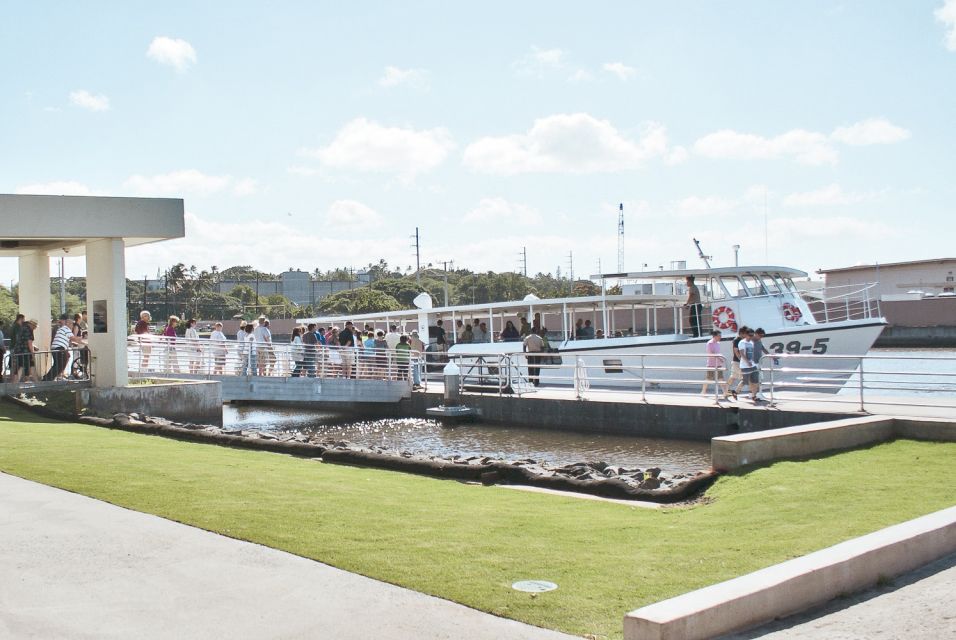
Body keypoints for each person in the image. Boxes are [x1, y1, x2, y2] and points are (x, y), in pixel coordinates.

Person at [43, 314, 80, 381]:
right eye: (72, 324)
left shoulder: (62, 329)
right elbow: (73, 338)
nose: (72, 326)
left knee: (58, 365)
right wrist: (82, 339)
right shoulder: (66, 328)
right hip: (59, 348)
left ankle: (48, 378)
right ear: (68, 323)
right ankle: (47, 378)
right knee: (60, 365)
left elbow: (68, 340)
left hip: (57, 348)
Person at [724, 325, 749, 400]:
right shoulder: (737, 340)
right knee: (744, 378)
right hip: (737, 362)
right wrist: (742, 360)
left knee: (733, 377)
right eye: (745, 333)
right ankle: (734, 391)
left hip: (738, 362)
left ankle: (727, 391)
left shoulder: (742, 340)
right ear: (741, 333)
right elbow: (736, 351)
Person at [738, 328, 761, 402]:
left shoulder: (751, 342)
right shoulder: (742, 342)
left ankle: (754, 396)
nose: (751, 337)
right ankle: (735, 392)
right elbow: (741, 353)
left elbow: (751, 353)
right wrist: (747, 361)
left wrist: (752, 361)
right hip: (745, 365)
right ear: (746, 335)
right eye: (750, 335)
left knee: (756, 381)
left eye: (752, 335)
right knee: (745, 381)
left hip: (752, 364)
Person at [701, 330, 726, 396]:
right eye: (719, 336)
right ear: (714, 336)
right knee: (709, 378)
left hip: (718, 364)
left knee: (720, 378)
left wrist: (721, 358)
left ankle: (725, 393)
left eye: (720, 335)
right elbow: (711, 353)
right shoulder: (710, 343)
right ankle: (703, 392)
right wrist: (720, 358)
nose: (720, 337)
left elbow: (717, 352)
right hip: (711, 364)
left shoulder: (718, 343)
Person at [13, 319, 38, 383]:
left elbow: (23, 341)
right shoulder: (29, 330)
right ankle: (16, 385)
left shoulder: (22, 328)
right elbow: (29, 343)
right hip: (25, 352)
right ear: (32, 325)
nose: (35, 328)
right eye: (35, 327)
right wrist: (33, 355)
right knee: (21, 367)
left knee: (29, 366)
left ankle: (37, 382)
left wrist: (33, 347)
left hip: (19, 350)